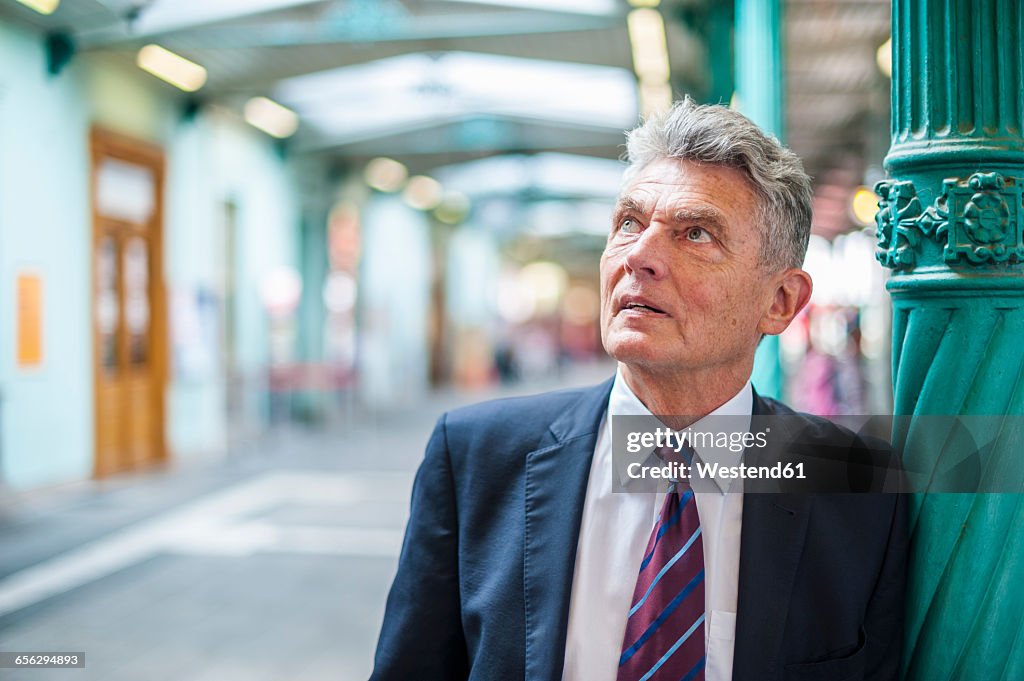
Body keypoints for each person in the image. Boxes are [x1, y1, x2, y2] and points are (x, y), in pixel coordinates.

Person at [369, 98, 906, 681]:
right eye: (628, 222)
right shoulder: (477, 457)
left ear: (779, 302)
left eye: (695, 234)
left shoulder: (861, 491)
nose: (640, 256)